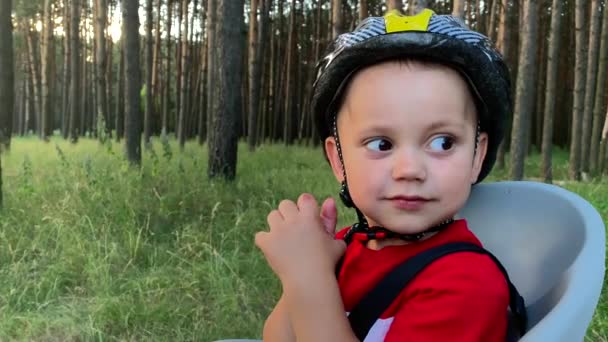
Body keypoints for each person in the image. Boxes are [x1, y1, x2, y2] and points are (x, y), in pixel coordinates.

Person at [255, 8, 518, 341]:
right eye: (381, 143)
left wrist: (308, 279)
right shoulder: (344, 247)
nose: (409, 170)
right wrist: (304, 271)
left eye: (442, 142)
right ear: (338, 160)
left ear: (477, 156)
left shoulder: (467, 283)